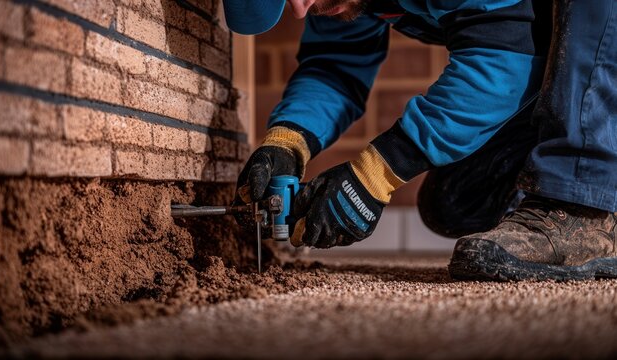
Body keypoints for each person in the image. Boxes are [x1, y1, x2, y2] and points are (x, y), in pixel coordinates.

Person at [224, 0, 617, 281]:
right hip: (565, 75)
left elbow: (501, 62)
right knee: (457, 203)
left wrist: (375, 173)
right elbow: (333, 67)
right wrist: (289, 140)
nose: (299, 9)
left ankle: (585, 208)